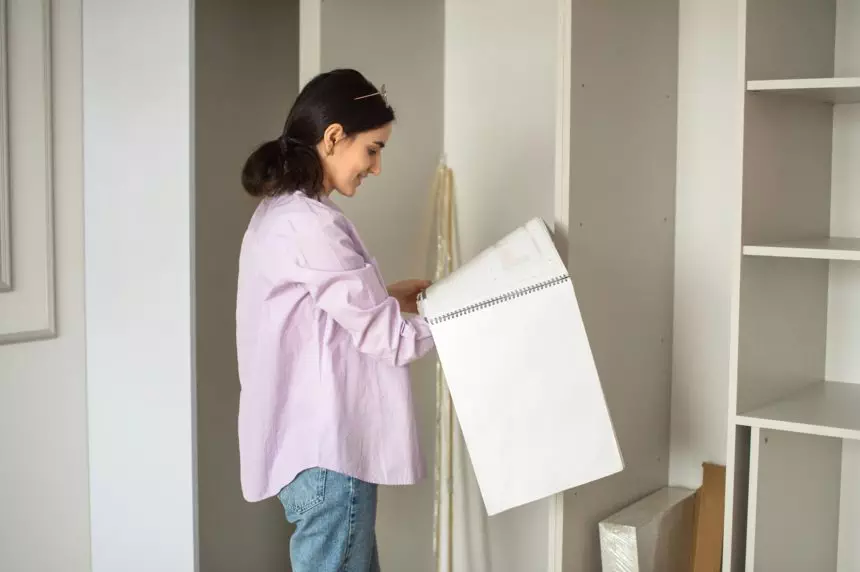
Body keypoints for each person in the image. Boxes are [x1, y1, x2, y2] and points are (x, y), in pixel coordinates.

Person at [235, 68, 435, 572]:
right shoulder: (309, 225)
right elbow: (389, 342)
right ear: (333, 137)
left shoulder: (282, 214)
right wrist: (465, 313)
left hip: (312, 456)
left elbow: (312, 315)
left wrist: (387, 297)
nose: (377, 166)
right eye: (373, 149)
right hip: (329, 456)